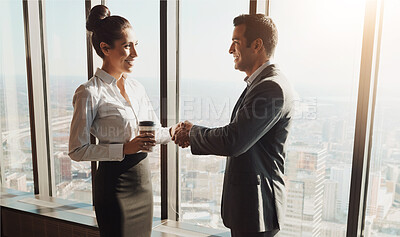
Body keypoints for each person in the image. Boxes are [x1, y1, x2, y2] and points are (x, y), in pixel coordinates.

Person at [172, 14, 294, 237]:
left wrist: (191, 132)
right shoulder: (261, 83)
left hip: (258, 211)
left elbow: (234, 140)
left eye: (236, 42)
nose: (230, 49)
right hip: (252, 210)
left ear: (257, 45)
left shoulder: (270, 87)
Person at [68, 5, 176, 237]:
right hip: (114, 185)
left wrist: (178, 132)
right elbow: (77, 150)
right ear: (105, 48)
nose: (135, 53)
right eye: (127, 46)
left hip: (143, 181)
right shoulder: (89, 92)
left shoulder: (137, 87)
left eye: (136, 44)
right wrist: (124, 148)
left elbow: (154, 132)